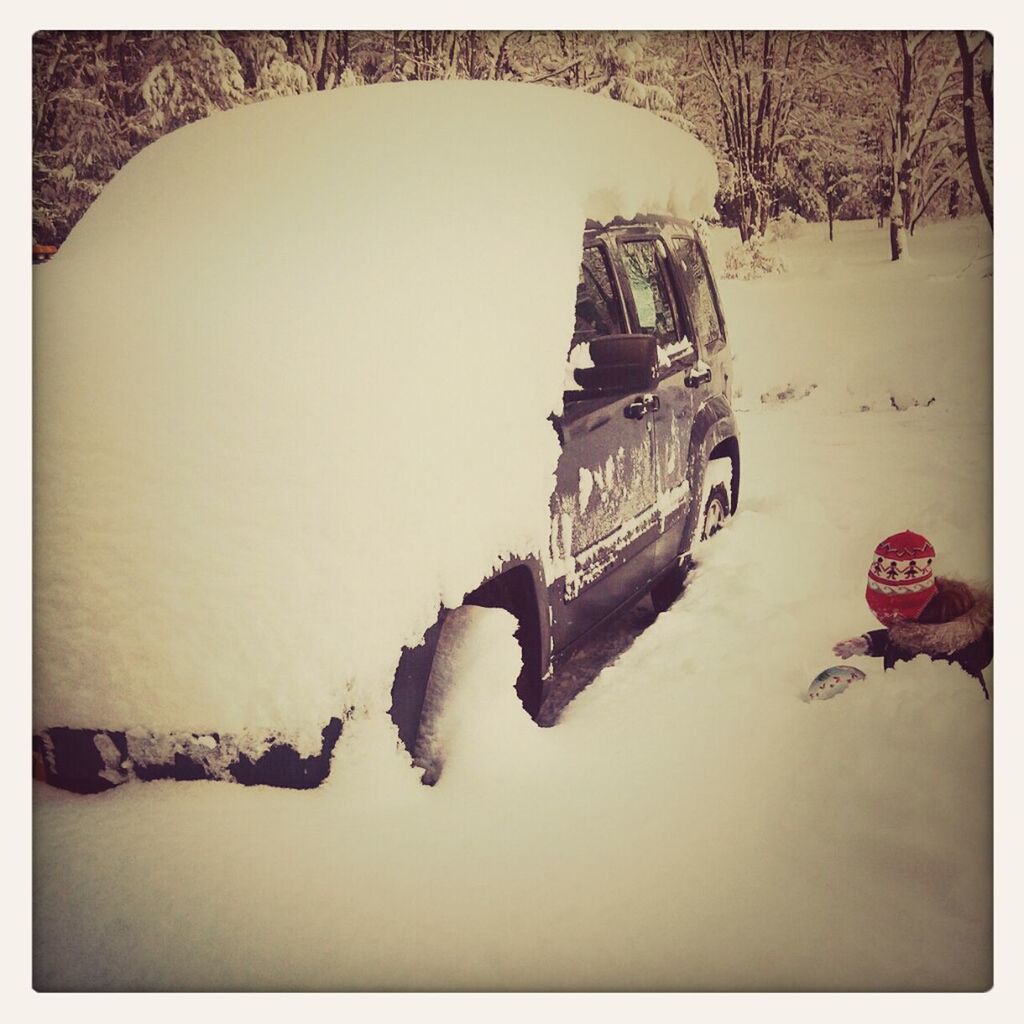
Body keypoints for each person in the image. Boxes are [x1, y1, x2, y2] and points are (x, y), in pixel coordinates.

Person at [832, 530, 992, 699]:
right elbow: (901, 639)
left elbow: (919, 708)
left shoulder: (948, 659)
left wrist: (871, 698)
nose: (885, 616)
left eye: (889, 611)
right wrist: (869, 643)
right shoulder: (921, 626)